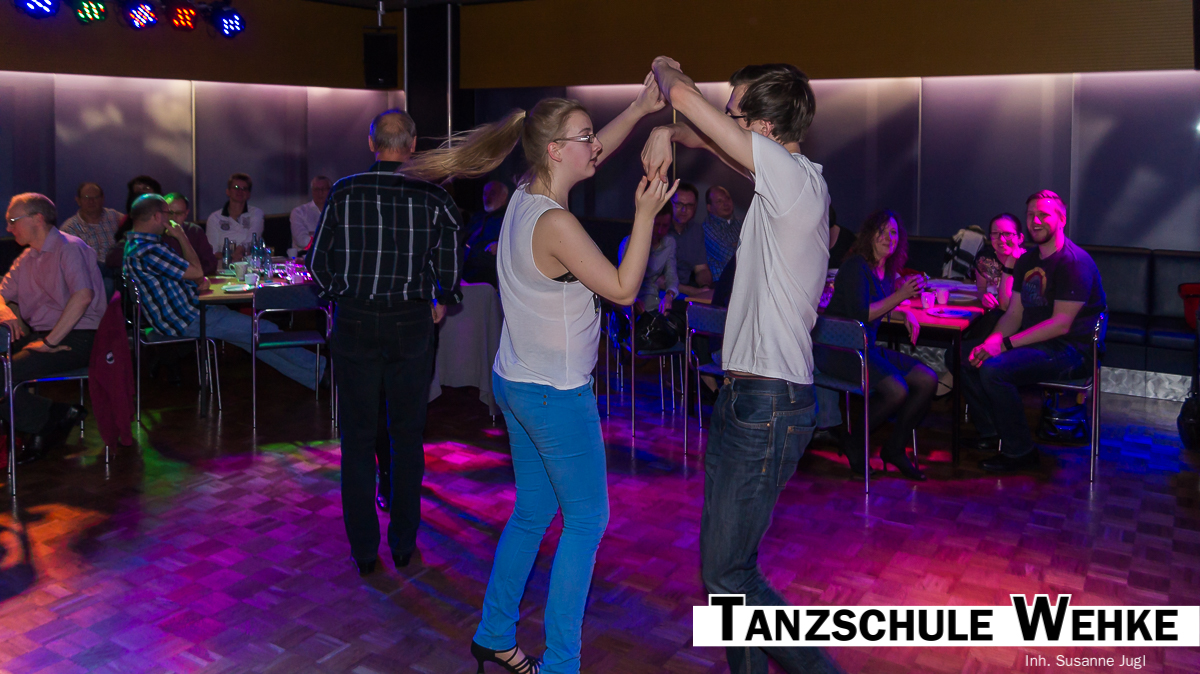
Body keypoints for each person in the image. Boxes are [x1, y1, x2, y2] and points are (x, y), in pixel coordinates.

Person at [400, 76, 672, 673]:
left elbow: (592, 147)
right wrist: (645, 214)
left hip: (518, 383)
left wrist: (638, 108)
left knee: (532, 512)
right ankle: (561, 664)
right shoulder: (556, 224)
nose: (596, 147)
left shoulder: (527, 191)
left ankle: (494, 633)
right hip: (554, 395)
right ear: (555, 150)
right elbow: (624, 289)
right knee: (587, 522)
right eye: (584, 138)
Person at [642, 58, 844, 674]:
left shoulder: (792, 180)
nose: (726, 120)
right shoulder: (787, 179)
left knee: (729, 576)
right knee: (732, 573)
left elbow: (685, 98)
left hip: (767, 405)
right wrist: (670, 131)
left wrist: (665, 71)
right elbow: (709, 137)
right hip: (752, 400)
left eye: (735, 113)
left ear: (762, 127)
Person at [307, 109, 460, 579]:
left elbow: (316, 265)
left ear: (372, 143)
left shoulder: (344, 190)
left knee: (356, 438)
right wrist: (442, 299)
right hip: (411, 322)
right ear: (412, 144)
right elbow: (450, 265)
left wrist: (340, 295)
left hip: (355, 319)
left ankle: (363, 551)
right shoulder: (435, 196)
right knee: (407, 436)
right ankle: (403, 544)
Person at [961, 190, 1106, 471]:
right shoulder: (1027, 261)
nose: (1035, 221)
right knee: (964, 357)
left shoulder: (1074, 262)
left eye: (1043, 215)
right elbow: (1014, 313)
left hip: (1071, 350)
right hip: (1036, 344)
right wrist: (993, 340)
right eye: (1030, 215)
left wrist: (1004, 345)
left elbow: (1060, 324)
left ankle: (1020, 452)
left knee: (994, 370)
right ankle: (993, 433)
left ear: (1062, 219)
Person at [122, 194, 324, 390]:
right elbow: (197, 271)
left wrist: (194, 283)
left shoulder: (136, 245)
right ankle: (325, 371)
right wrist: (182, 237)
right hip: (186, 319)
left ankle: (316, 377)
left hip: (183, 314)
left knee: (254, 339)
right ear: (157, 216)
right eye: (168, 214)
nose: (171, 220)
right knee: (263, 329)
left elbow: (179, 278)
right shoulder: (149, 249)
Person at [820, 211, 934, 481]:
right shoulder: (856, 266)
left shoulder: (886, 271)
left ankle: (894, 449)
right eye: (881, 231)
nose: (887, 237)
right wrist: (901, 296)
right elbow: (861, 313)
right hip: (838, 350)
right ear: (869, 235)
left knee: (927, 379)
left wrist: (904, 314)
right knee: (896, 390)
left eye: (893, 232)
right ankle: (855, 442)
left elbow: (877, 306)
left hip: (864, 347)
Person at [1, 194, 105, 462]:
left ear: (37, 218)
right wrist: (5, 311)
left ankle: (48, 421)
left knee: (4, 374)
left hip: (80, 335)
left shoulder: (69, 247)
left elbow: (83, 296)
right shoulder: (27, 257)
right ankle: (51, 418)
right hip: (46, 335)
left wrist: (50, 342)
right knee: (3, 371)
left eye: (13, 220)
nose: (9, 228)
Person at [619, 205, 678, 315]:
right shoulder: (628, 243)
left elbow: (671, 274)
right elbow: (623, 283)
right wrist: (634, 301)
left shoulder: (669, 243)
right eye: (656, 225)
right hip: (632, 302)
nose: (660, 230)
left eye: (665, 226)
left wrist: (669, 295)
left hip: (655, 299)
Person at [60, 182, 122, 266]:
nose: (91, 201)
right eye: (86, 197)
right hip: (88, 271)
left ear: (102, 199)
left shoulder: (114, 216)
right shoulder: (69, 229)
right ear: (78, 201)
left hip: (117, 269)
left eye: (95, 197)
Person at [462, 181, 510, 287]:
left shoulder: (508, 218)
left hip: (487, 273)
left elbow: (517, 242)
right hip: (465, 268)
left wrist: (501, 244)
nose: (487, 198)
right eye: (485, 194)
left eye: (492, 193)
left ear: (503, 196)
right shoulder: (478, 216)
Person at [665, 182, 711, 294]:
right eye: (679, 204)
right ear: (670, 203)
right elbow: (655, 278)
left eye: (689, 205)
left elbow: (701, 269)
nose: (684, 210)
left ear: (695, 207)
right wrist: (694, 292)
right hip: (659, 293)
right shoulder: (658, 227)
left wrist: (705, 287)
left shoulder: (696, 230)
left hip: (687, 291)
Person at [206, 173, 264, 259]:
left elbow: (253, 237)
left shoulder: (256, 213)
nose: (240, 191)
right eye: (236, 187)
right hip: (223, 263)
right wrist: (231, 257)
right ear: (228, 192)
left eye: (244, 189)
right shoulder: (214, 218)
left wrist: (239, 251)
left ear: (248, 194)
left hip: (251, 262)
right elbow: (212, 251)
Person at [163, 193, 218, 276]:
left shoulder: (195, 231)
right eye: (170, 212)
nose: (173, 217)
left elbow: (210, 264)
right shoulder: (156, 232)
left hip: (194, 280)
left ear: (186, 213)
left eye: (179, 213)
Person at [702, 185, 741, 283]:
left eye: (727, 199)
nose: (726, 204)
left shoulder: (740, 223)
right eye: (719, 201)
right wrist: (742, 243)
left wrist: (735, 245)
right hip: (722, 283)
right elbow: (730, 256)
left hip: (744, 280)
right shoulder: (707, 227)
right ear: (709, 207)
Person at [290, 176, 332, 251]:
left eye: (324, 189)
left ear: (330, 190)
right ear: (312, 191)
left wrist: (313, 236)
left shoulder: (337, 211)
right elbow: (302, 241)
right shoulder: (299, 212)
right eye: (317, 189)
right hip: (305, 256)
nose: (320, 193)